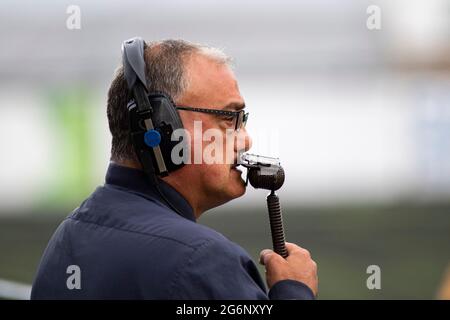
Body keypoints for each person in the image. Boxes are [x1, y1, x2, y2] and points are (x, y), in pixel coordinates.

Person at [31, 39, 318, 299]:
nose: (245, 139)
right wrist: (295, 290)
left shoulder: (69, 234)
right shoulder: (202, 261)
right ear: (161, 127)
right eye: (230, 118)